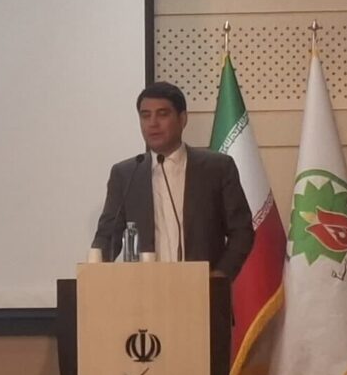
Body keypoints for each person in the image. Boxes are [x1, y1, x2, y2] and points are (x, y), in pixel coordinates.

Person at [91, 81, 253, 278]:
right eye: (145, 115)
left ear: (182, 119)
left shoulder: (217, 168)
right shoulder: (125, 174)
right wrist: (94, 272)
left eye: (162, 114)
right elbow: (108, 236)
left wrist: (220, 275)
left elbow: (242, 231)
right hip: (144, 287)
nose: (153, 123)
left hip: (202, 286)